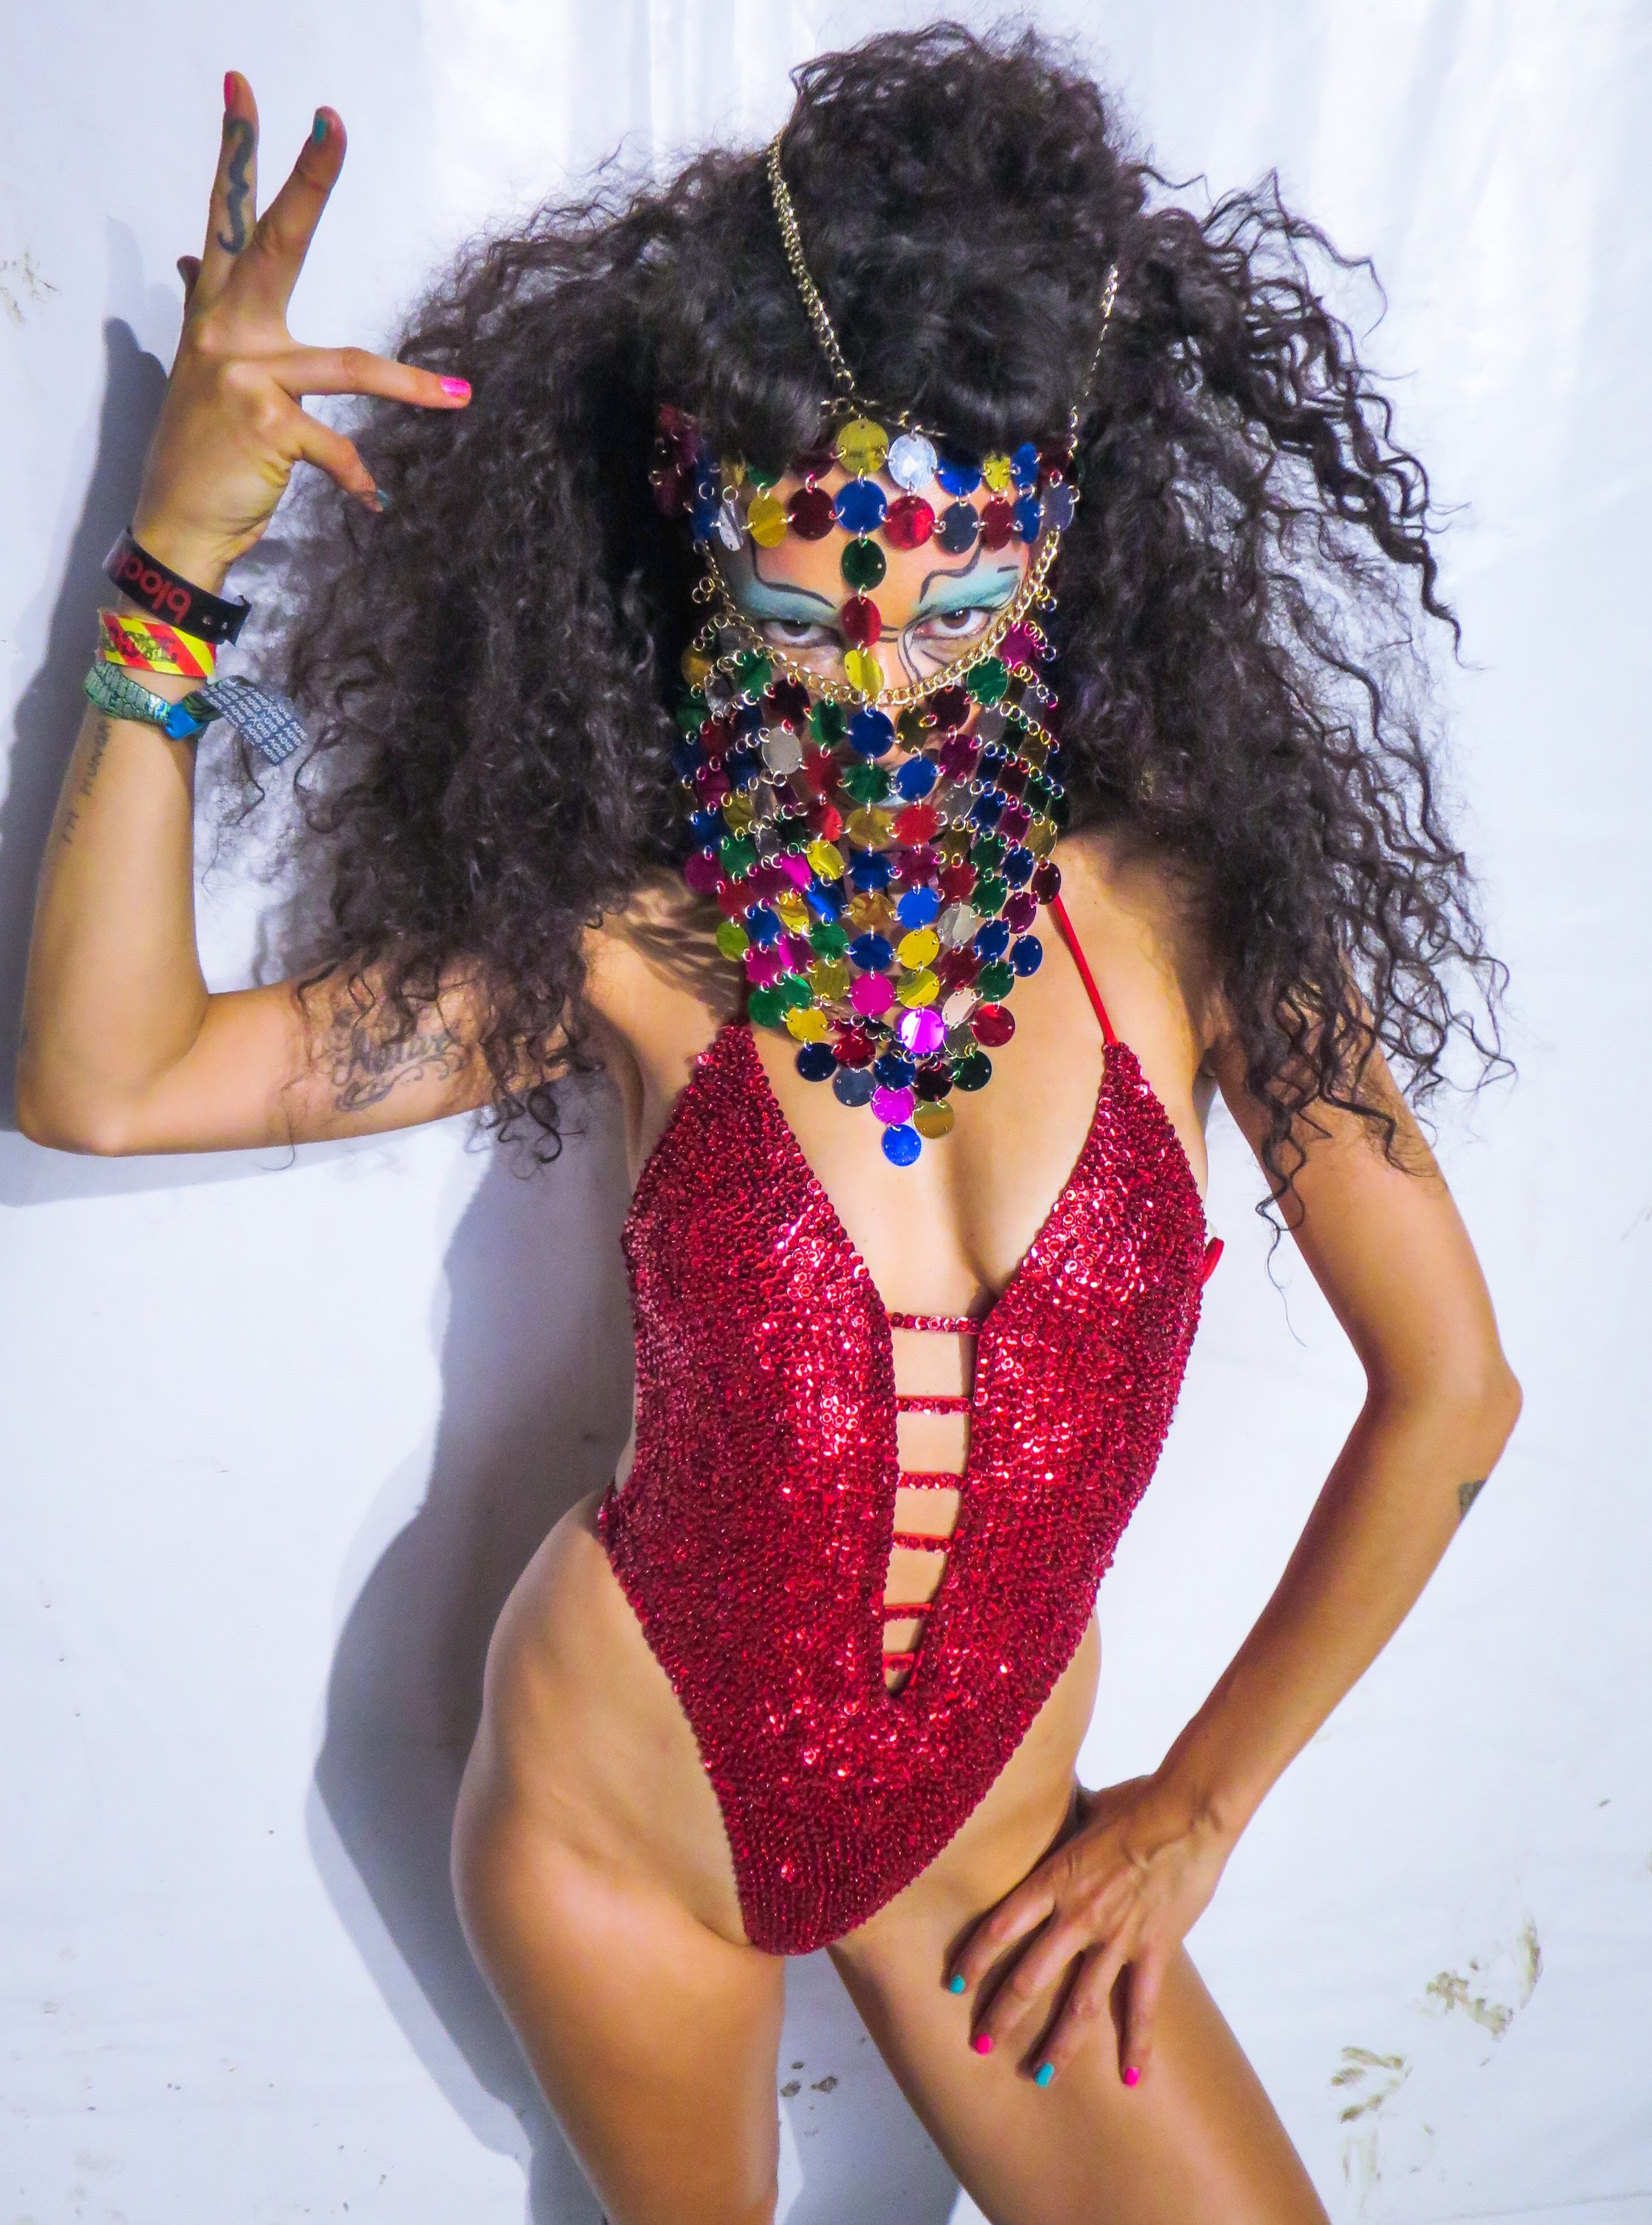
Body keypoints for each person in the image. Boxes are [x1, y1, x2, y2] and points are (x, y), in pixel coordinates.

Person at [17, 26, 1522, 2225]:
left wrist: (1195, 1812)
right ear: (697, 508)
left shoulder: (1200, 923)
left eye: (958, 578)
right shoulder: (645, 949)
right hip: (625, 1829)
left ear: (1061, 517)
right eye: (817, 585)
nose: (887, 653)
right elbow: (109, 1081)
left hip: (990, 1854)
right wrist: (170, 570)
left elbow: (1453, 1390)